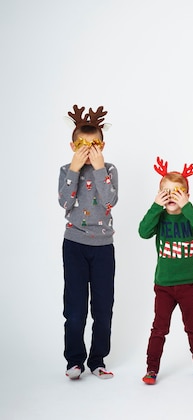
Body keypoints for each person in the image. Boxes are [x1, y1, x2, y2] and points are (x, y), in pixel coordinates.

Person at [138, 157, 193, 385]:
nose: (171, 196)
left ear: (187, 194)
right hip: (164, 286)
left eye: (177, 192)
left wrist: (187, 206)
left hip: (189, 284)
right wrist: (155, 206)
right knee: (159, 328)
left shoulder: (189, 216)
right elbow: (143, 232)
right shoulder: (158, 217)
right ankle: (151, 369)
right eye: (165, 192)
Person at [58, 105, 118, 380]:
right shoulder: (66, 169)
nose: (88, 149)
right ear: (73, 146)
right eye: (82, 144)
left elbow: (109, 202)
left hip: (103, 247)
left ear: (102, 146)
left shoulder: (108, 169)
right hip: (75, 245)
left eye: (94, 145)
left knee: (103, 306)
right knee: (75, 307)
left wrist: (98, 168)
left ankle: (97, 359)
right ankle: (74, 361)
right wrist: (74, 168)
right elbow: (65, 202)